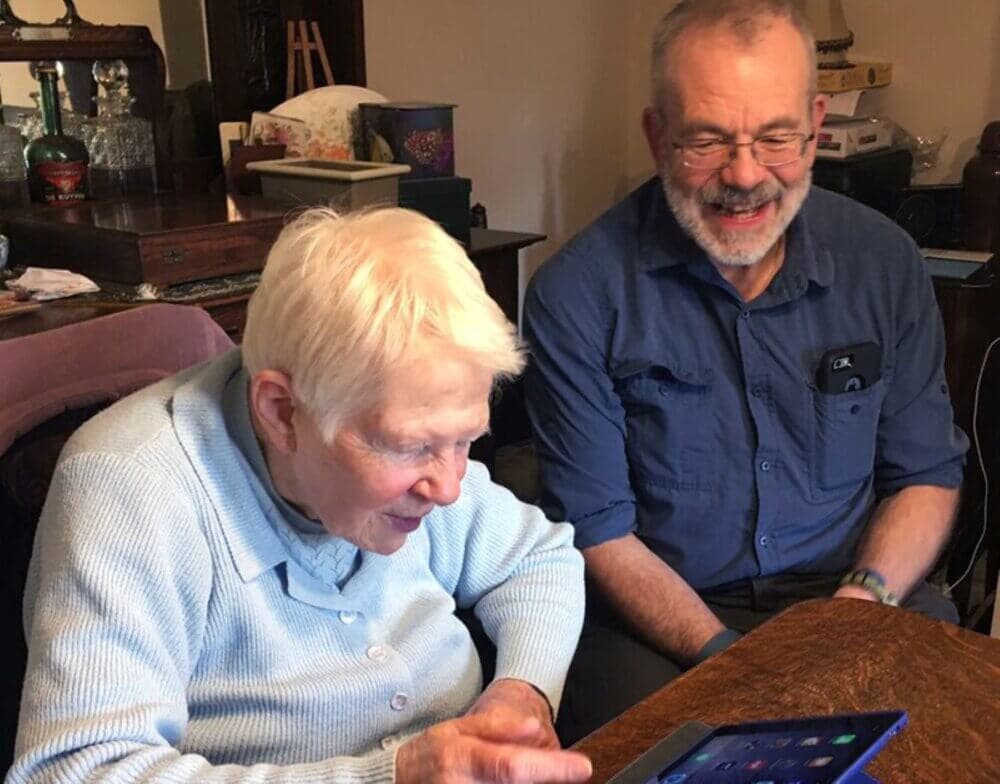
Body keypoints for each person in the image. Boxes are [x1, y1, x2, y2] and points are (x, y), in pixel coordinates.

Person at [8, 207, 593, 784]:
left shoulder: (416, 430)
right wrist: (394, 776)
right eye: (411, 448)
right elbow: (73, 771)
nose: (448, 488)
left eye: (467, 439)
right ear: (282, 413)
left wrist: (522, 693)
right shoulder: (131, 488)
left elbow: (539, 558)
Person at [523, 0, 969, 744]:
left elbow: (925, 473)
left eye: (775, 138)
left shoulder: (886, 263)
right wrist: (735, 662)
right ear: (657, 135)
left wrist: (857, 604)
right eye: (706, 140)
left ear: (816, 126)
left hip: (855, 592)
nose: (745, 175)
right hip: (661, 623)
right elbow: (600, 531)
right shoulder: (576, 293)